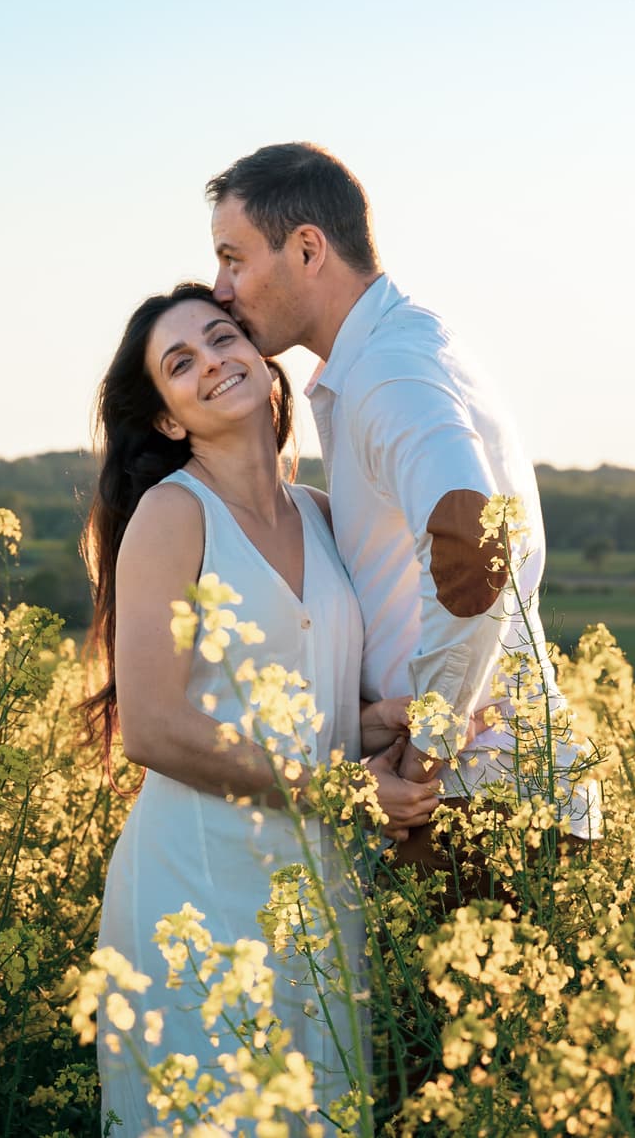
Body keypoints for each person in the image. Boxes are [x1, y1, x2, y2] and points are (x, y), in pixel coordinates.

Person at [79, 282, 439, 1133]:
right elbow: (156, 726)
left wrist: (370, 722)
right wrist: (345, 790)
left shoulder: (322, 514)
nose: (213, 362)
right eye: (182, 363)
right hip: (195, 894)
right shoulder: (173, 516)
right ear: (167, 419)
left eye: (223, 338)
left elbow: (299, 692)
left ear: (264, 365)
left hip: (318, 892)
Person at [206, 143, 602, 866]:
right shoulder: (397, 351)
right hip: (481, 793)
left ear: (306, 248)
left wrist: (422, 757)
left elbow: (475, 550)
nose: (222, 288)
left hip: (472, 800)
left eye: (234, 258)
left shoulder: (390, 371)